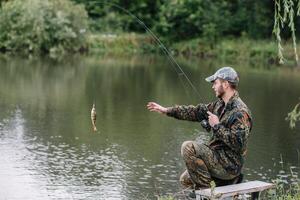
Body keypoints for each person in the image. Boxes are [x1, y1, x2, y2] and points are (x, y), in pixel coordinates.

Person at [147, 67, 252, 190]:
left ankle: (208, 194)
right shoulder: (219, 105)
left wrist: (217, 126)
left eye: (215, 83)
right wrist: (166, 111)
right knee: (185, 180)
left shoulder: (240, 112)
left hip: (229, 165)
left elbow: (239, 145)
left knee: (188, 147)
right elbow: (195, 111)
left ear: (226, 84)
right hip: (217, 158)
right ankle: (213, 191)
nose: (213, 86)